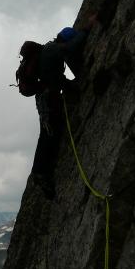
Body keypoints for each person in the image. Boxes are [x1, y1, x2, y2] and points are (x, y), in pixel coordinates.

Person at [28, 16, 95, 199]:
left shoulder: (49, 50)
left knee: (50, 133)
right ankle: (40, 173)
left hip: (47, 97)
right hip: (48, 99)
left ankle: (43, 172)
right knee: (48, 134)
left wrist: (69, 85)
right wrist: (86, 30)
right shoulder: (53, 49)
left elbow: (54, 76)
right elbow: (71, 48)